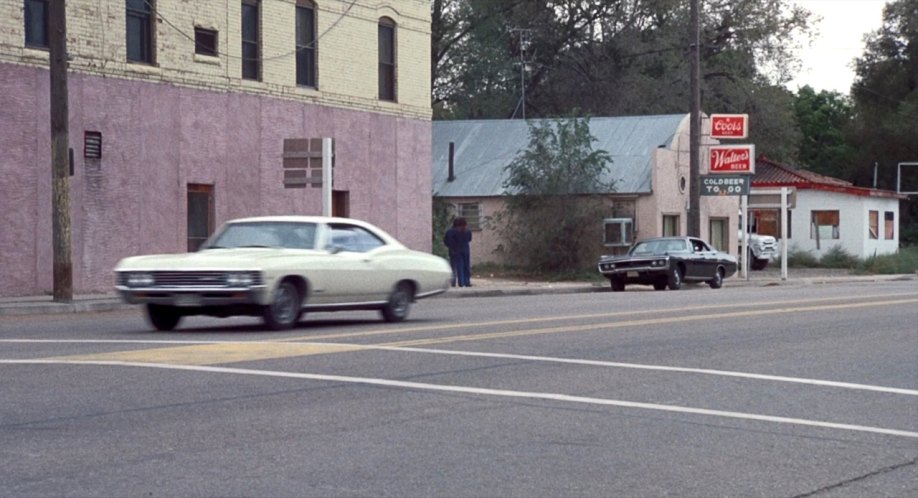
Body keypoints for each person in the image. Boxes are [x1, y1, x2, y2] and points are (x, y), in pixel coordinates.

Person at [443, 217, 472, 287]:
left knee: (457, 266)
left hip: (455, 250)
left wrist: (451, 247)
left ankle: (458, 282)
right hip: (465, 250)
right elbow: (469, 239)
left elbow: (447, 241)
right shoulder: (467, 231)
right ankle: (466, 282)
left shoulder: (451, 232)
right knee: (465, 266)